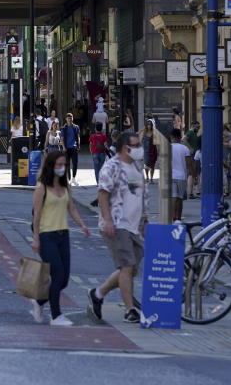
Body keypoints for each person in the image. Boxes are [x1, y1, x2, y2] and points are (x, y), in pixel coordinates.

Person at [87, 131, 148, 325]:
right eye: (136, 145)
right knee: (127, 266)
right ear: (125, 148)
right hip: (117, 222)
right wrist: (107, 220)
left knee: (129, 269)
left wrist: (145, 221)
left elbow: (140, 195)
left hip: (134, 225)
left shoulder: (137, 167)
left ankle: (98, 294)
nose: (140, 148)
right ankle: (130, 310)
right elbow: (103, 194)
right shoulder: (111, 166)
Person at [29, 151, 91, 326]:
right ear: (50, 166)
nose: (61, 168)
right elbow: (37, 214)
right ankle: (56, 316)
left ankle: (39, 302)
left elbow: (71, 208)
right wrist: (36, 239)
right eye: (58, 165)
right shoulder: (41, 187)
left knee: (64, 280)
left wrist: (82, 225)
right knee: (57, 274)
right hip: (46, 235)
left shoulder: (65, 187)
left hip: (63, 234)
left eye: (64, 165)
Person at [169, 128, 190, 221]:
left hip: (171, 176)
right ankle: (179, 217)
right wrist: (194, 175)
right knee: (180, 197)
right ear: (180, 137)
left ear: (171, 137)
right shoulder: (185, 148)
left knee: (173, 196)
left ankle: (173, 216)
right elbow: (189, 163)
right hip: (182, 176)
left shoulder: (168, 147)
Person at [61, 114, 81, 185]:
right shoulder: (64, 128)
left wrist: (78, 144)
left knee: (75, 163)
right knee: (67, 164)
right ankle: (69, 179)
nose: (70, 119)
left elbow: (78, 136)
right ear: (66, 119)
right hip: (66, 148)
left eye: (71, 118)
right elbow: (62, 139)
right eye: (68, 118)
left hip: (74, 147)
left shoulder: (76, 127)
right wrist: (63, 147)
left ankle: (74, 178)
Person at [140, 120, 157, 184]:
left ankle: (151, 179)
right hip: (146, 151)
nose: (149, 126)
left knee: (152, 165)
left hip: (153, 150)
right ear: (146, 126)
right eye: (148, 124)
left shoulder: (154, 132)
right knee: (146, 165)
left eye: (150, 124)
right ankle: (147, 176)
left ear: (152, 125)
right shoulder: (144, 132)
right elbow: (140, 141)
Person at [222, 124, 231, 197]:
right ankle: (226, 190)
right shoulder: (223, 137)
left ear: (225, 130)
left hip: (230, 156)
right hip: (224, 156)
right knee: (225, 173)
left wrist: (221, 143)